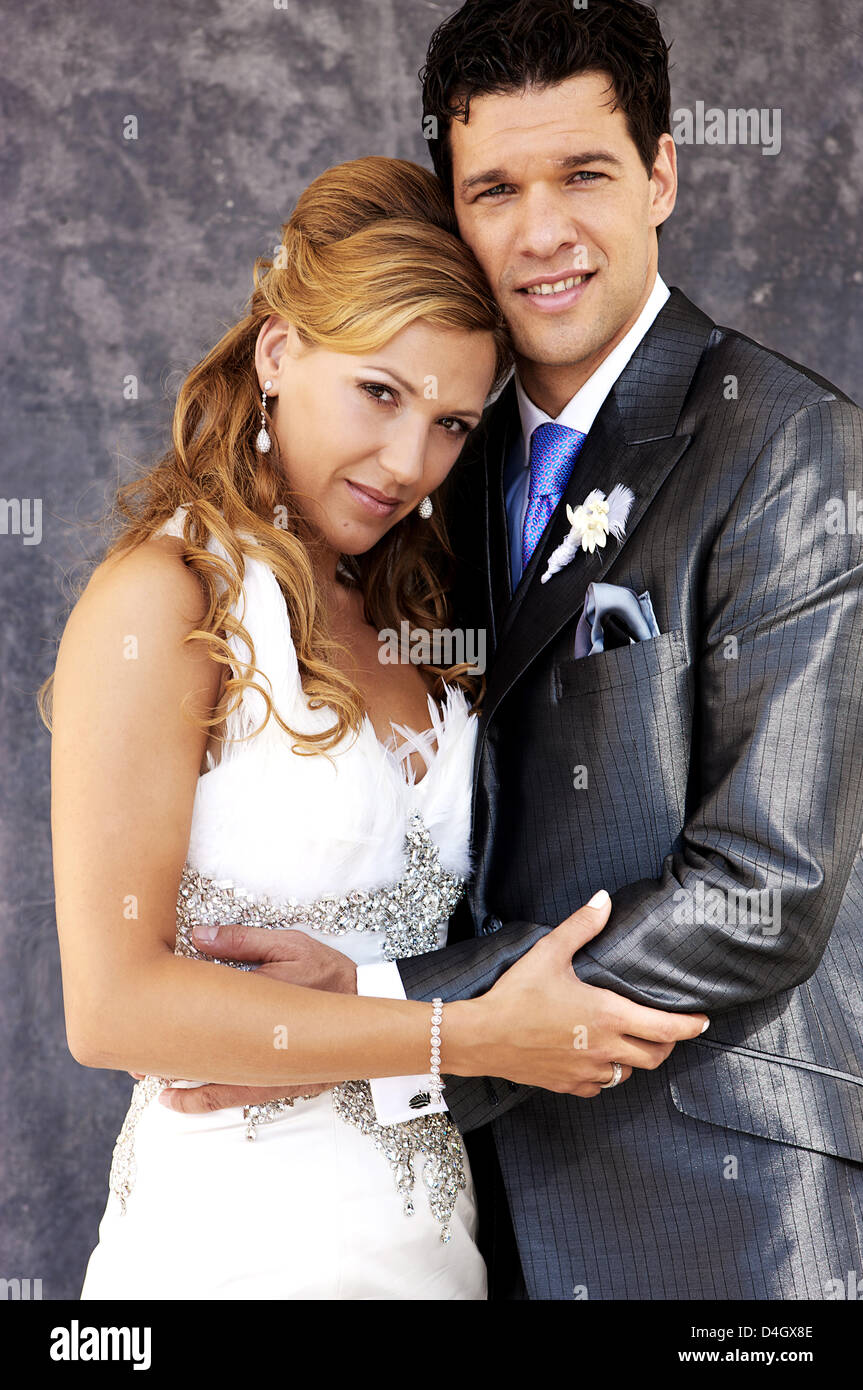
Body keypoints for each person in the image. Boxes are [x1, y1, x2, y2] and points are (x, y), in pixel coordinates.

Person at [183, 0, 863, 1300]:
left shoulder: (788, 447)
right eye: (494, 187)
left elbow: (761, 884)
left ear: (660, 172)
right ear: (451, 208)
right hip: (462, 1217)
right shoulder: (434, 465)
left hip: (719, 1222)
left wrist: (396, 1014)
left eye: (584, 175)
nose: (540, 230)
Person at [44, 152, 706, 1300]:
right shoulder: (163, 600)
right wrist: (464, 1037)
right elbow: (113, 1006)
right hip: (228, 1258)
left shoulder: (420, 612)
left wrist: (420, 1011)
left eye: (452, 422)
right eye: (380, 393)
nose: (409, 464)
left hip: (429, 1255)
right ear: (278, 350)